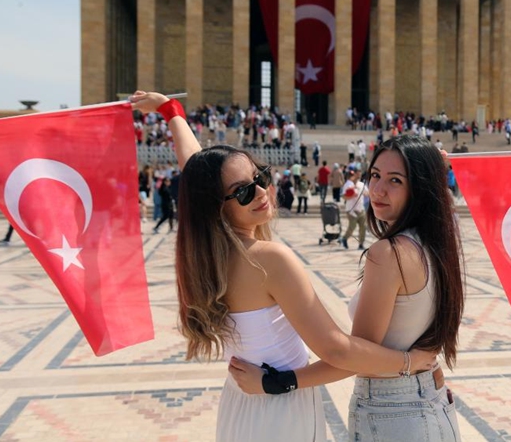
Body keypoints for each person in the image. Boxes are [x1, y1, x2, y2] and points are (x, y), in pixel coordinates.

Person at [130, 91, 436, 441]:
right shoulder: (268, 259)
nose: (261, 192)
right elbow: (336, 349)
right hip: (280, 406)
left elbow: (196, 168)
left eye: (261, 177)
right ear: (217, 206)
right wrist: (410, 363)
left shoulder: (209, 255)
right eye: (244, 192)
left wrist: (172, 113)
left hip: (241, 403)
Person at [229, 135, 465, 442]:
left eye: (395, 180)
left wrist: (275, 383)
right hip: (436, 403)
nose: (377, 190)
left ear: (420, 187)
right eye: (376, 175)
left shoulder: (389, 253)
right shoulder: (443, 239)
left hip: (394, 412)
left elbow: (353, 356)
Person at [339, 169, 366, 250]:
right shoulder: (348, 185)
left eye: (359, 174)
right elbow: (344, 196)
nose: (358, 176)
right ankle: (344, 238)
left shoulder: (361, 184)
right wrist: (352, 196)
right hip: (351, 210)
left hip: (361, 209)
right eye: (355, 174)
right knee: (352, 227)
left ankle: (361, 244)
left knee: (363, 227)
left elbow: (367, 193)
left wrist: (366, 193)